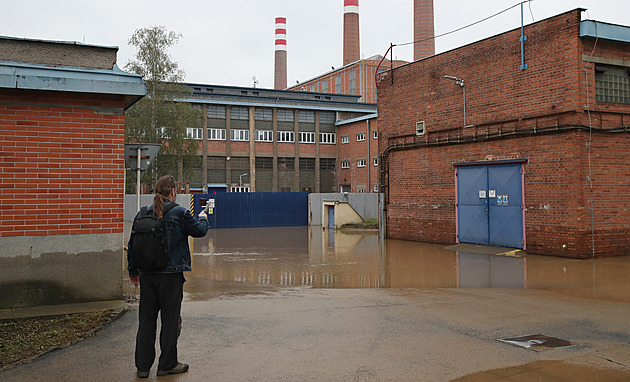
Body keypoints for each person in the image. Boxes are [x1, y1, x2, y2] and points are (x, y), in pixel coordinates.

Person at [128, 175, 209, 378]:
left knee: (146, 321)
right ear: (173, 191)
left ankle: (143, 367)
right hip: (170, 276)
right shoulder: (179, 213)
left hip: (147, 275)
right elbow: (199, 232)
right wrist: (203, 218)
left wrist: (133, 271)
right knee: (170, 321)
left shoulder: (142, 212)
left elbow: (132, 244)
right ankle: (167, 364)